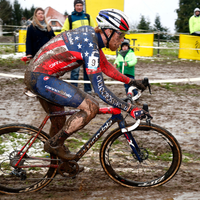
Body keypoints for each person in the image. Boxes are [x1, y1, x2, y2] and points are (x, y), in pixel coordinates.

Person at [24, 9, 149, 166]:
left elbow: (105, 66)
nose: (122, 40)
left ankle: (58, 165)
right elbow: (100, 90)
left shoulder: (91, 38)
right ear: (108, 31)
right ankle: (54, 145)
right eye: (120, 35)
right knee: (91, 107)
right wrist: (129, 108)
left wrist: (132, 82)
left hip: (39, 76)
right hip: (41, 78)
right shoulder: (90, 44)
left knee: (59, 124)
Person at [61, 0, 96, 94]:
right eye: (77, 5)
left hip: (87, 48)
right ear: (74, 7)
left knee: (87, 70)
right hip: (75, 48)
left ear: (83, 6)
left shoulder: (88, 17)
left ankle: (88, 90)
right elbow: (64, 31)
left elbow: (94, 29)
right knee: (75, 71)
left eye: (81, 5)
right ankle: (73, 90)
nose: (79, 7)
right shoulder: (70, 18)